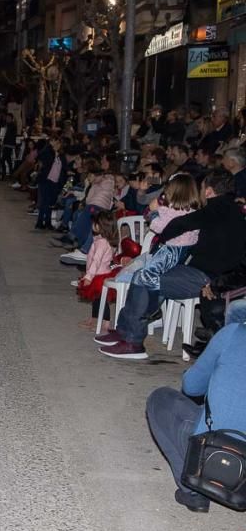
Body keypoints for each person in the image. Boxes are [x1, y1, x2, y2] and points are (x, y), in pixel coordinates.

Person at [98, 170, 246, 359]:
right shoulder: (233, 211)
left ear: (208, 191)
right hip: (207, 273)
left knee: (143, 278)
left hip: (206, 278)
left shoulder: (216, 209)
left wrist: (162, 232)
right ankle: (126, 329)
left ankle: (132, 342)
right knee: (148, 276)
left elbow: (179, 225)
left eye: (202, 189)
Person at [146, 322, 246, 512]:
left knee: (160, 398)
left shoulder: (234, 333)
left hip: (217, 449)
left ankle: (193, 491)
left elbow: (191, 386)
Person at [77, 211, 120, 331]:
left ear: (101, 226)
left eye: (95, 223)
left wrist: (89, 276)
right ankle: (95, 318)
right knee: (96, 299)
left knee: (101, 301)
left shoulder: (101, 243)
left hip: (98, 275)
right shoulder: (102, 240)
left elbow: (96, 261)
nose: (92, 224)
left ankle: (105, 322)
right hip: (99, 274)